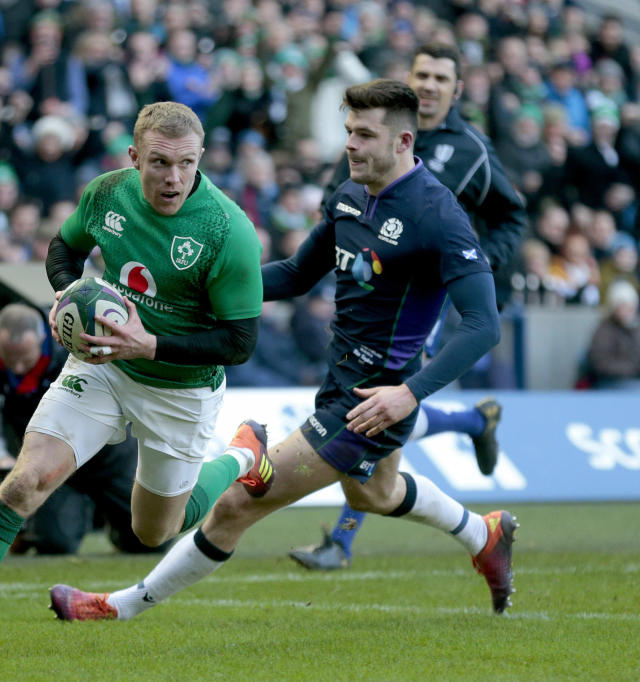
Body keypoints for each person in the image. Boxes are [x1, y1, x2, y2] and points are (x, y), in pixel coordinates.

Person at [48, 79, 516, 624]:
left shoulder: (438, 214)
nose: (351, 145)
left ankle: (117, 607)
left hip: (371, 400)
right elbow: (294, 275)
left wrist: (409, 394)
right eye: (348, 132)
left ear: (403, 141)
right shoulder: (348, 196)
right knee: (375, 495)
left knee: (234, 506)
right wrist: (197, 290)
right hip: (340, 378)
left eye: (365, 134)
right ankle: (484, 534)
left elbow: (483, 326)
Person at [0, 101, 271, 652]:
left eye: (186, 163)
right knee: (25, 483)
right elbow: (64, 249)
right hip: (102, 366)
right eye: (158, 162)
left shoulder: (228, 230)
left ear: (200, 159)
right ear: (134, 157)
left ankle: (243, 455)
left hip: (181, 387)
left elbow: (241, 342)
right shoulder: (108, 193)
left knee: (152, 530)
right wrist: (65, 296)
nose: (173, 177)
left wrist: (148, 342)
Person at [292, 43, 521, 571]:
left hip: (427, 298)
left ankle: (342, 542)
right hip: (371, 281)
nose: (432, 84)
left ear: (458, 89)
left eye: (443, 76)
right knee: (384, 410)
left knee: (385, 401)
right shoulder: (372, 134)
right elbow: (342, 196)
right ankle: (471, 420)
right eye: (423, 73)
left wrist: (482, 263)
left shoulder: (473, 151)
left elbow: (511, 217)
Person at [0, 302, 167, 556]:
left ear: (42, 339)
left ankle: (114, 525)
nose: (17, 367)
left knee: (152, 541)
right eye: (10, 359)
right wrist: (1, 460)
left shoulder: (76, 348)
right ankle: (51, 524)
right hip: (54, 463)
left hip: (111, 454)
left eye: (24, 358)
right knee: (54, 544)